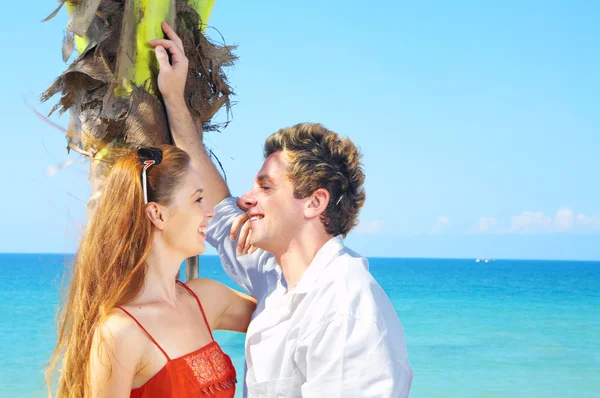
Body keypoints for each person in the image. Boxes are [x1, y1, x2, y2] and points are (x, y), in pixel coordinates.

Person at [153, 22, 413, 397]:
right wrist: (174, 100)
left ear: (314, 202)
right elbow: (220, 210)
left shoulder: (346, 309)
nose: (246, 198)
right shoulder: (275, 275)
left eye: (265, 186)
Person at [46, 145, 257, 398]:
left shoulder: (206, 298)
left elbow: (291, 315)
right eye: (198, 200)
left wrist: (264, 221)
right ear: (157, 214)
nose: (210, 211)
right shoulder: (121, 332)